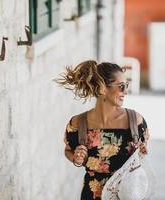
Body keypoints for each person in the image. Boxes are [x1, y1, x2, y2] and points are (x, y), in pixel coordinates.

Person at [53, 60, 150, 200]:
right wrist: (76, 158)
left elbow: (143, 151)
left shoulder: (135, 121)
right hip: (91, 195)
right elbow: (68, 150)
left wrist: (142, 151)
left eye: (126, 85)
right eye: (121, 86)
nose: (125, 91)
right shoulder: (77, 124)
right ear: (102, 88)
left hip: (126, 195)